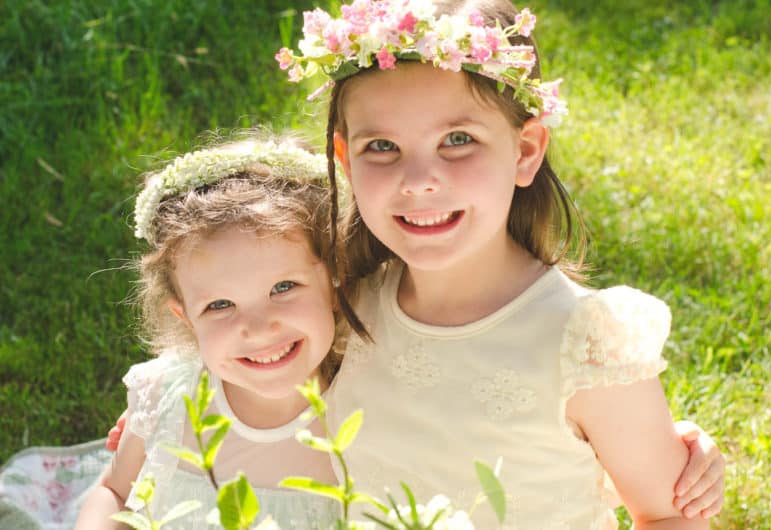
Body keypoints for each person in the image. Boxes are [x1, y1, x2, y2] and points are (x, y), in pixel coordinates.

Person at [276, 0, 724, 528]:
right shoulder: (345, 306)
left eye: (458, 140)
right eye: (382, 146)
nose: (419, 178)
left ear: (526, 150)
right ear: (346, 160)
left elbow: (670, 516)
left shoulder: (586, 342)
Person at [75, 135, 350, 529]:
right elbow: (115, 492)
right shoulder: (172, 398)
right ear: (186, 317)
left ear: (335, 282)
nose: (257, 328)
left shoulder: (365, 404)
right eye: (220, 305)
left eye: (283, 288)